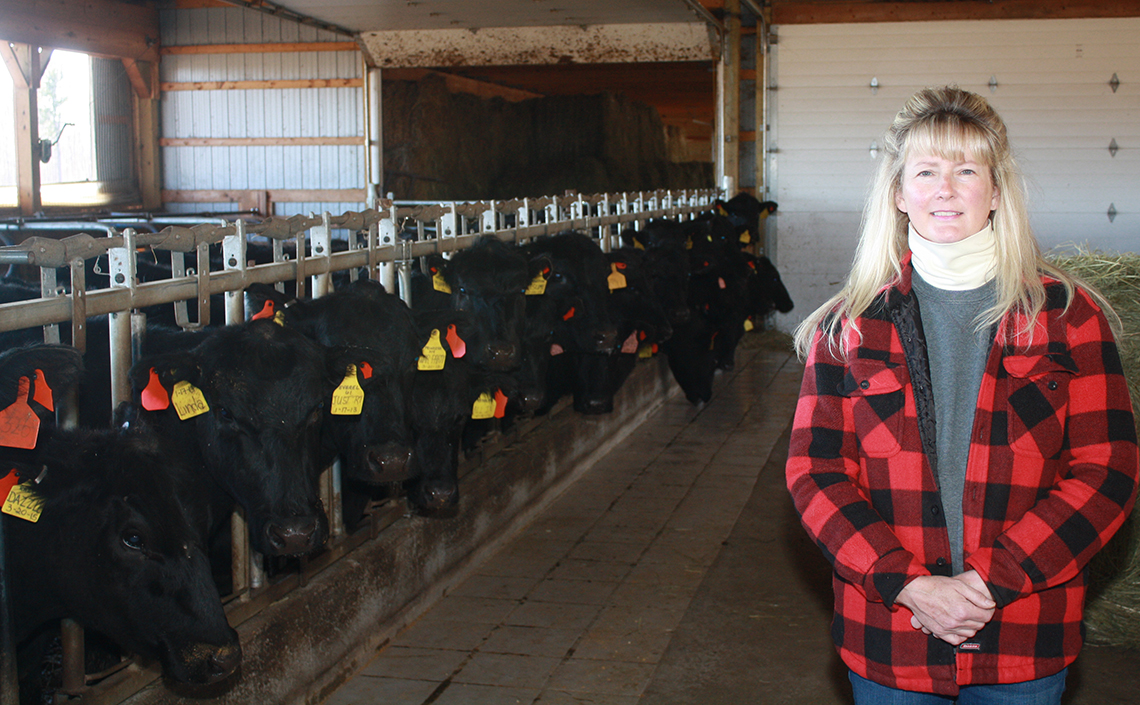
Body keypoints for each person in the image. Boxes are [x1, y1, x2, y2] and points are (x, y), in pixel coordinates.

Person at [785, 85, 1139, 703]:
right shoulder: (849, 326)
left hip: (1022, 636)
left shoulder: (1067, 316)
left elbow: (1107, 470)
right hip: (892, 635)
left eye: (966, 170)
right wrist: (908, 584)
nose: (945, 189)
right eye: (925, 171)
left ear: (996, 191)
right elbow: (815, 473)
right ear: (899, 193)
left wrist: (992, 580)